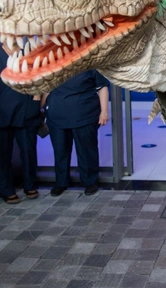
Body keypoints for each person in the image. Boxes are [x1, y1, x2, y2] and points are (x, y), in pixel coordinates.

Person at [43, 70, 109, 197]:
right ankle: (61, 182)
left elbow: (102, 87)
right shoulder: (53, 64)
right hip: (57, 115)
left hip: (85, 115)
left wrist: (104, 111)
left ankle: (90, 182)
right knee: (60, 151)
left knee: (87, 151)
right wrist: (37, 110)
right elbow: (46, 89)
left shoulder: (90, 63)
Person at [0, 44, 41, 204]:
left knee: (29, 151)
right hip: (2, 111)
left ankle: (30, 185)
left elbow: (38, 78)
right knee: (3, 155)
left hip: (26, 109)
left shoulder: (28, 51)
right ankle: (6, 189)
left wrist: (36, 100)